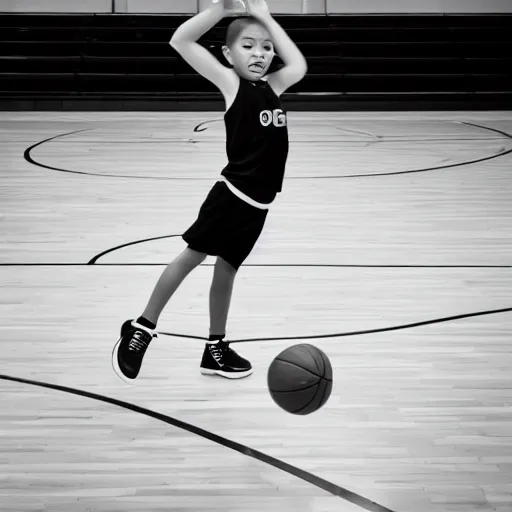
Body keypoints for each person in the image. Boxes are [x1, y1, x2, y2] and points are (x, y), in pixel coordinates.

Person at [112, 0, 307, 383]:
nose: (260, 54)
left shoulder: (275, 86)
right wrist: (220, 9)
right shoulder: (230, 83)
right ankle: (142, 327)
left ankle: (214, 349)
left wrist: (266, 18)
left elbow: (298, 65)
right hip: (231, 197)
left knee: (227, 269)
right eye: (248, 45)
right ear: (228, 53)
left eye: (267, 47)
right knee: (191, 258)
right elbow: (180, 40)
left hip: (259, 204)